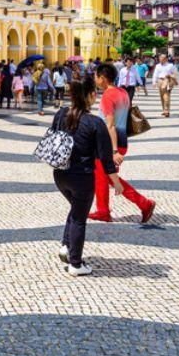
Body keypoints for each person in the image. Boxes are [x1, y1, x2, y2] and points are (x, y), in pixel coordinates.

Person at [52, 74, 125, 277]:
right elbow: (105, 159)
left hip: (60, 174)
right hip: (81, 177)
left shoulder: (60, 115)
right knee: (79, 218)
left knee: (76, 210)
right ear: (92, 96)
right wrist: (117, 183)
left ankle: (66, 246)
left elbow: (54, 138)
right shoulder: (94, 123)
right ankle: (75, 264)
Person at [89, 63, 155, 224]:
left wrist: (113, 151)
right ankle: (103, 210)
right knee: (104, 176)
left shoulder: (107, 96)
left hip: (109, 144)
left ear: (103, 78)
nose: (95, 79)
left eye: (96, 76)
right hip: (122, 140)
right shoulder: (123, 92)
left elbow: (110, 124)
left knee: (106, 176)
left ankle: (143, 203)